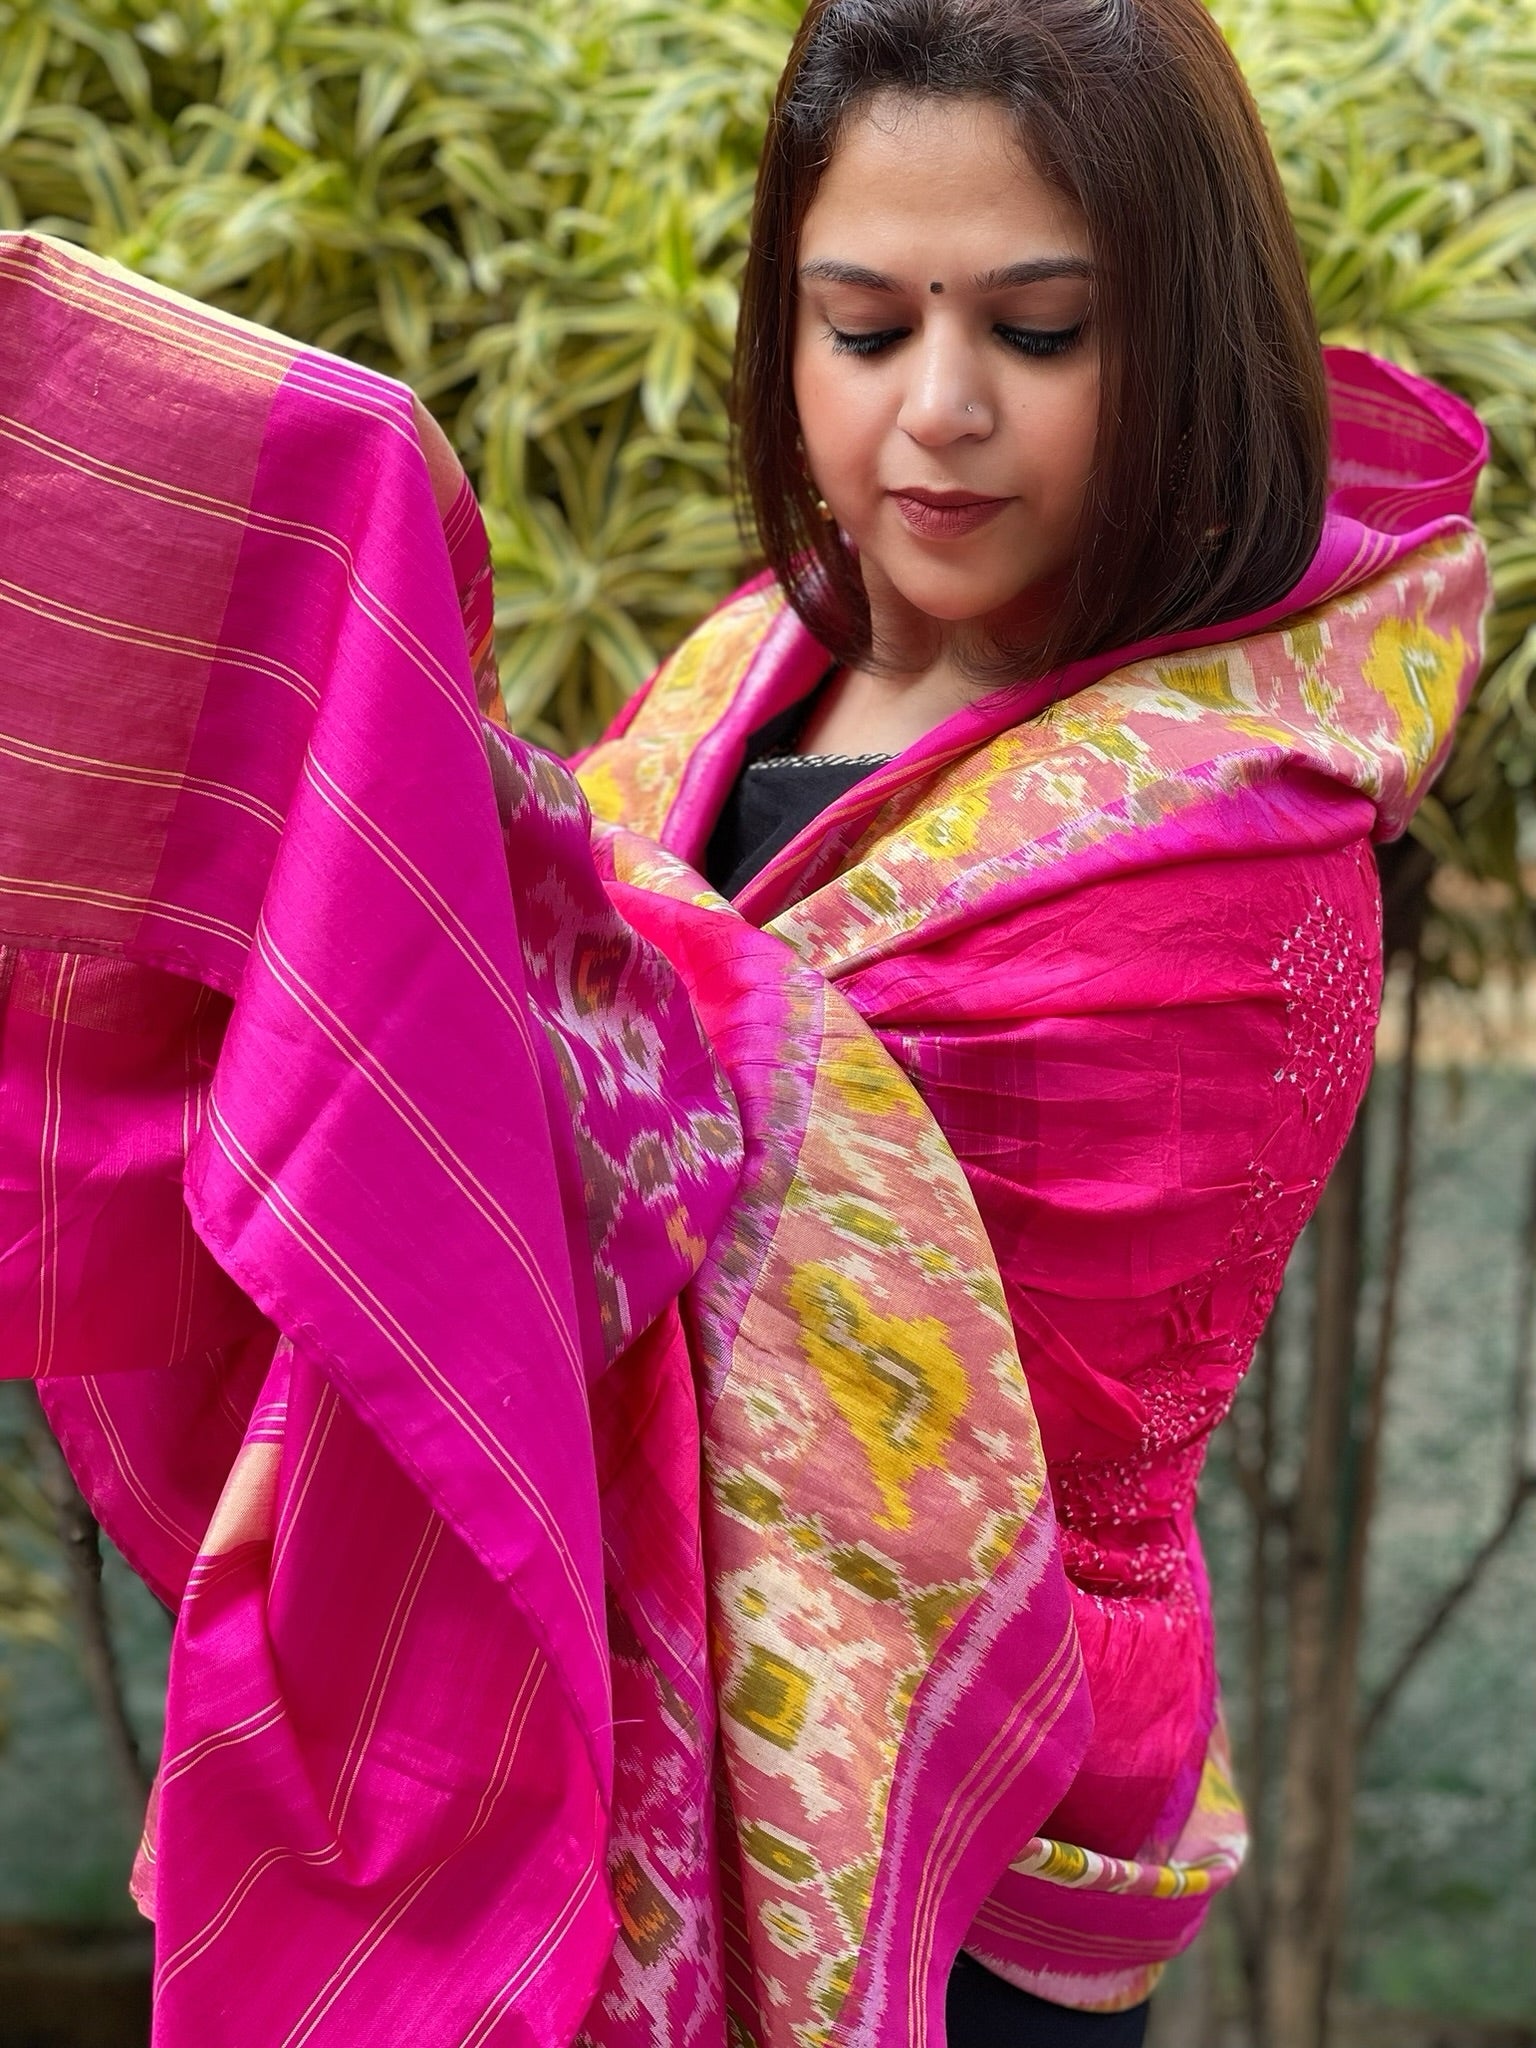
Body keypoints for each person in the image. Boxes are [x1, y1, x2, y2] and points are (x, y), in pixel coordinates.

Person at [0, 2, 1487, 2046]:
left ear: (1183, 342)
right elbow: (571, 1049)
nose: (937, 412)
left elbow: (668, 1102)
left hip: (984, 1832)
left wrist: (385, 731)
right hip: (604, 1748)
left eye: (1038, 333)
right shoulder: (741, 665)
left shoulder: (1226, 859)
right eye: (864, 328)